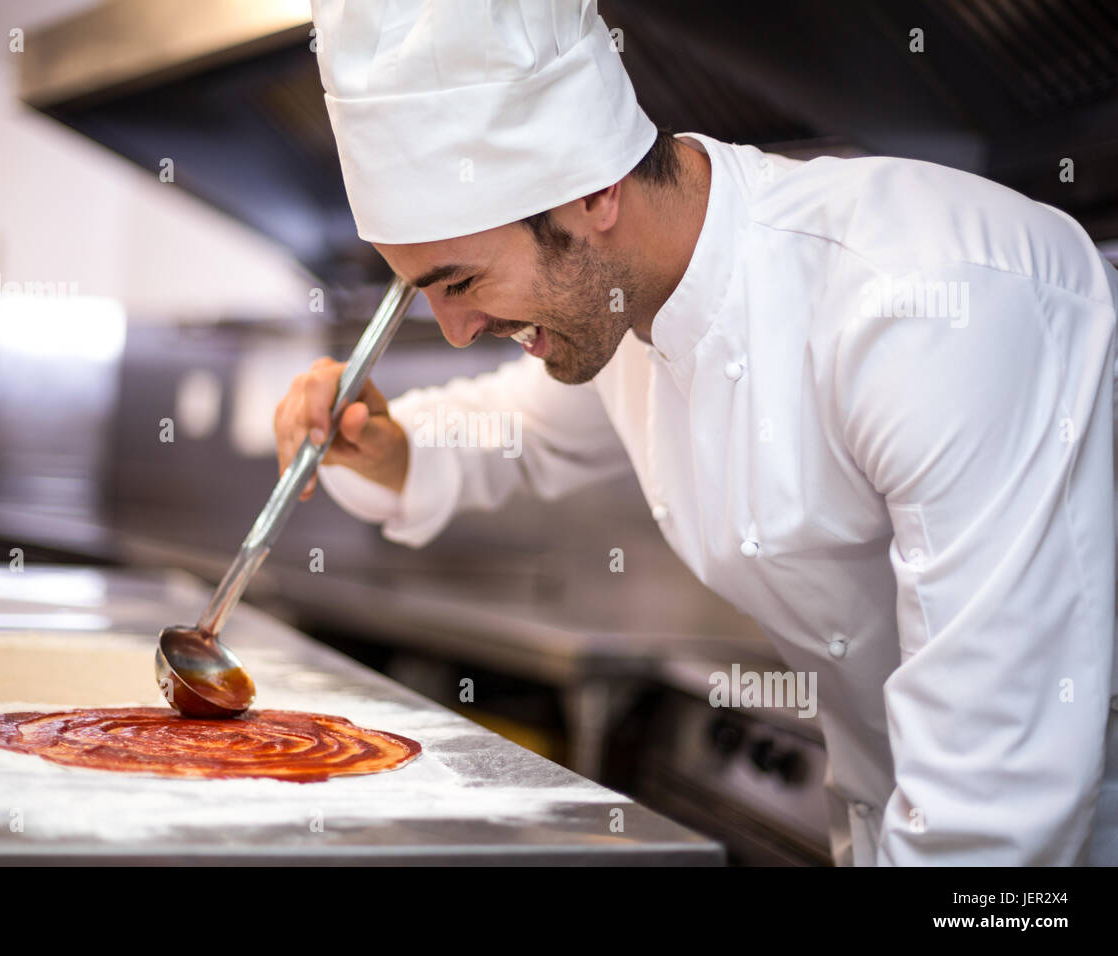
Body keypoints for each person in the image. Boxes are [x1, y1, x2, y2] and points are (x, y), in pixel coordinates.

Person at [274, 0, 1118, 864]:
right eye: (426, 294)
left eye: (462, 282)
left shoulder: (924, 306)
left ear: (592, 190)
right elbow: (517, 429)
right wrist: (387, 443)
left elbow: (995, 804)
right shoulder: (633, 301)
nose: (453, 330)